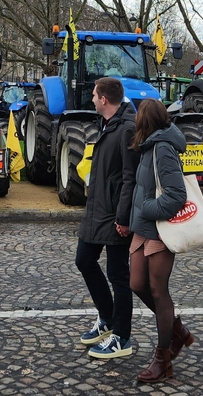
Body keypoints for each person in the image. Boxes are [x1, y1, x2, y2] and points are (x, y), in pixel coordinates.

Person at [128, 99, 192, 383]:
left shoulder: (163, 148)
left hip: (159, 231)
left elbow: (176, 195)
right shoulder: (149, 147)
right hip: (144, 229)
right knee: (137, 283)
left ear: (145, 121)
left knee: (157, 290)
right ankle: (177, 330)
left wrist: (147, 209)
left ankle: (163, 358)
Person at [75, 77, 138, 360]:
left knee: (118, 276)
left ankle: (121, 337)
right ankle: (107, 318)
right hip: (97, 210)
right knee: (84, 260)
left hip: (115, 215)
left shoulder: (126, 129)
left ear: (104, 100)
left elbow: (129, 178)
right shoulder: (108, 124)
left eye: (94, 95)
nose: (91, 99)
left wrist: (123, 218)